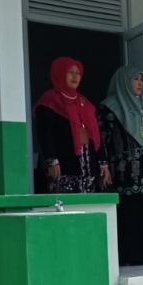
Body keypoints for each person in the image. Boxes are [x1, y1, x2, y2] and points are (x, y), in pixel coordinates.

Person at [98, 66, 143, 266]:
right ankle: (129, 255)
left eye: (141, 80)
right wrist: (104, 166)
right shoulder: (109, 108)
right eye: (135, 79)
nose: (139, 83)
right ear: (123, 82)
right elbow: (101, 140)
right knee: (130, 212)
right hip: (124, 170)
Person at [34, 57, 110, 194]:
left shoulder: (85, 104)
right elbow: (44, 133)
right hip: (63, 168)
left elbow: (96, 136)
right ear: (60, 73)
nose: (75, 76)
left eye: (78, 73)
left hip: (88, 170)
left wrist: (103, 164)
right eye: (70, 72)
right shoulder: (49, 101)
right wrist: (52, 160)